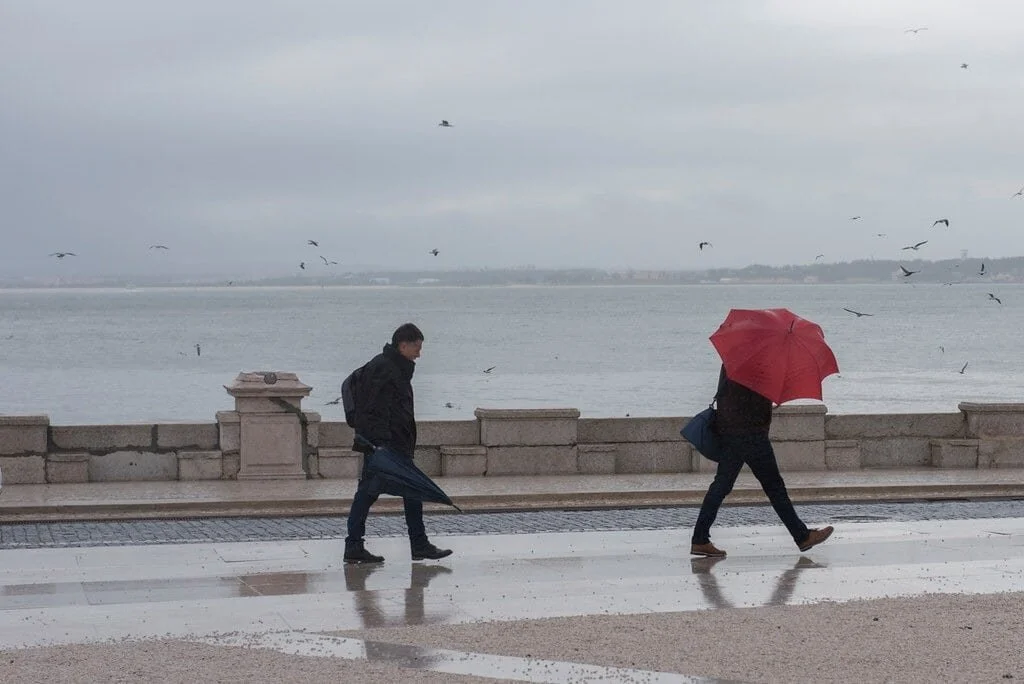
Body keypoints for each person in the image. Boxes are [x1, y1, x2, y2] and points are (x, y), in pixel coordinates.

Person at [691, 365, 834, 558]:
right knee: (774, 487)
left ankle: (699, 539)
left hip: (733, 431)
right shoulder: (755, 364)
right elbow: (752, 396)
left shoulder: (735, 361)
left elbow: (739, 396)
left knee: (722, 485)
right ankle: (802, 536)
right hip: (750, 434)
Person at [344, 323, 453, 564]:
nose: (419, 354)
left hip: (392, 445)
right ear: (403, 345)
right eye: (417, 348)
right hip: (385, 447)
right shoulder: (384, 368)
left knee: (405, 491)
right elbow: (372, 410)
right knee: (371, 494)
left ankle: (415, 544)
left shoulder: (394, 367)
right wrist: (381, 445)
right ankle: (357, 545)